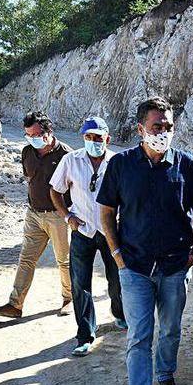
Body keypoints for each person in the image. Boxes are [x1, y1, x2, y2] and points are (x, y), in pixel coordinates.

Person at [97, 96, 193, 385]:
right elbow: (106, 212)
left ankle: (165, 373)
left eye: (168, 127)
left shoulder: (185, 164)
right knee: (139, 335)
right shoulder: (121, 165)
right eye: (156, 127)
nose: (163, 132)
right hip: (134, 268)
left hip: (176, 266)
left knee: (171, 329)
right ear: (140, 129)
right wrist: (117, 254)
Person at [49, 116, 127, 357]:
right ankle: (85, 335)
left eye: (98, 138)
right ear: (84, 138)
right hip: (82, 230)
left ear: (107, 139)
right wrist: (67, 217)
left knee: (116, 278)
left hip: (110, 232)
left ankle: (120, 313)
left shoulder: (118, 162)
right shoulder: (70, 161)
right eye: (89, 137)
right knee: (80, 283)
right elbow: (55, 190)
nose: (93, 142)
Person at [0, 110, 73, 319]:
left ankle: (69, 299)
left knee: (64, 260)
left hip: (58, 216)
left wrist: (68, 214)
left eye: (36, 135)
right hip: (34, 214)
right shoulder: (27, 152)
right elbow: (29, 178)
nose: (32, 140)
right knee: (26, 259)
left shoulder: (66, 155)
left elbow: (75, 187)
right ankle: (15, 305)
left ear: (48, 132)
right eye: (28, 135)